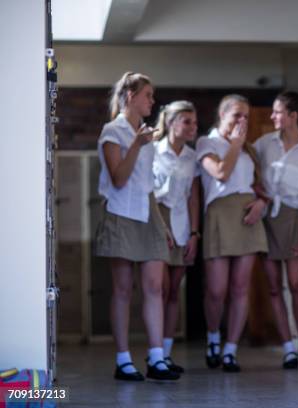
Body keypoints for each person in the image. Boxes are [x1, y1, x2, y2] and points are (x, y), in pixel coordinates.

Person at [94, 72, 180, 381]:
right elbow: (119, 178)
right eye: (148, 95)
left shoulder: (146, 134)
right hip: (121, 212)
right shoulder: (113, 131)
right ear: (130, 96)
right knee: (122, 289)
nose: (152, 101)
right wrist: (137, 145)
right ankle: (123, 360)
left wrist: (163, 224)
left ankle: (157, 357)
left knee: (155, 286)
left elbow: (147, 183)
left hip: (148, 212)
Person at [196, 94, 268, 372]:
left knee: (240, 288)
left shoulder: (249, 149)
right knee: (216, 289)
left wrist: (262, 203)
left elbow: (261, 186)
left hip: (247, 214)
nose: (242, 121)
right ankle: (213, 337)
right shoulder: (208, 143)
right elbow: (221, 173)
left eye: (246, 116)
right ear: (222, 114)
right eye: (237, 114)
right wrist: (236, 143)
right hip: (219, 213)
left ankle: (230, 349)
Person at [254, 91, 298, 369]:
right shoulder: (263, 144)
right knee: (273, 288)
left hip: (294, 220)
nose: (273, 117)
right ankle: (288, 348)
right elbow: (246, 171)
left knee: (295, 284)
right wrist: (257, 193)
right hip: (267, 218)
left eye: (278, 112)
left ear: (293, 116)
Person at [152, 100, 201, 373]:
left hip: (182, 224)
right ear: (171, 123)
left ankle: (166, 354)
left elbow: (193, 197)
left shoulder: (192, 157)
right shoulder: (152, 151)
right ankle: (154, 352)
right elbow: (148, 193)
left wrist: (194, 233)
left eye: (194, 122)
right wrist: (162, 228)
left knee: (174, 292)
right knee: (159, 289)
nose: (193, 127)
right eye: (187, 121)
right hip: (157, 220)